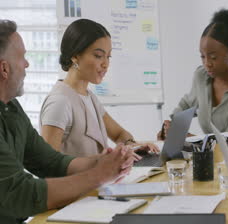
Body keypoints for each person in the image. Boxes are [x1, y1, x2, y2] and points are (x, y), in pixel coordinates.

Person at [0, 20, 135, 224]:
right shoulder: (60, 100)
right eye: (23, 57)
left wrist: (100, 162)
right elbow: (21, 192)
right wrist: (98, 174)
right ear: (4, 68)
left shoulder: (12, 107)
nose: (27, 64)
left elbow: (51, 162)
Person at [39, 19, 158, 157]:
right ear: (75, 56)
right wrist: (106, 161)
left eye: (108, 57)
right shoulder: (59, 102)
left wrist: (134, 145)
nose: (106, 64)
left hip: (102, 178)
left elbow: (119, 134)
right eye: (98, 56)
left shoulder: (88, 96)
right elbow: (48, 165)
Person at [159, 8, 228, 139]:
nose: (207, 63)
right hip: (210, 156)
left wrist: (186, 137)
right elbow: (187, 104)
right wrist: (171, 127)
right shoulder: (201, 76)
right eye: (203, 56)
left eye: (213, 57)